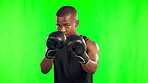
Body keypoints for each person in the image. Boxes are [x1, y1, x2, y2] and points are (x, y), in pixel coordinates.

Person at [40, 6, 100, 83]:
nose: (62, 30)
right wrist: (49, 54)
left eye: (66, 25)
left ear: (76, 23)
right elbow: (44, 70)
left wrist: (83, 56)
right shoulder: (55, 43)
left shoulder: (90, 44)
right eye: (58, 25)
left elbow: (92, 70)